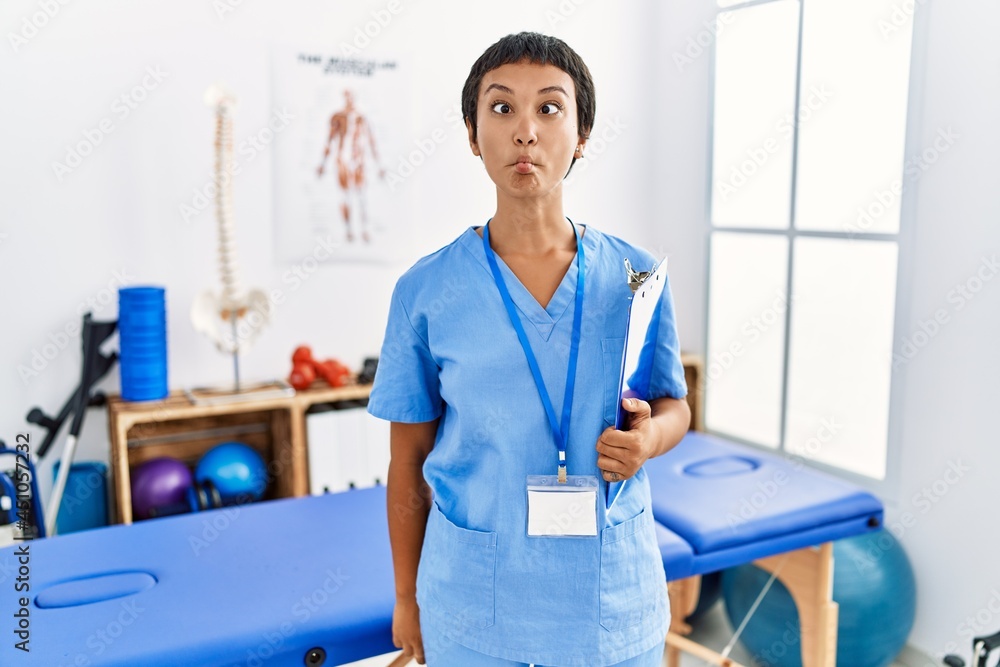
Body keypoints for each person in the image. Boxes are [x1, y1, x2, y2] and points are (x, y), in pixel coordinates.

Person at [367, 32, 690, 667]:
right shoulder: (426, 291)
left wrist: (647, 441)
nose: (525, 131)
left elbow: (673, 405)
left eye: (549, 108)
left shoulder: (635, 276)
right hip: (473, 605)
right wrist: (407, 597)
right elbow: (407, 462)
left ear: (582, 134)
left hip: (611, 600)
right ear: (471, 132)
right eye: (501, 107)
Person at [316, 89, 384, 243]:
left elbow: (371, 141)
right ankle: (348, 230)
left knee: (361, 196)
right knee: (346, 196)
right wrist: (322, 164)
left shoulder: (361, 118)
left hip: (358, 161)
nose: (350, 100)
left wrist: (379, 165)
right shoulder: (337, 117)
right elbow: (329, 140)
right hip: (343, 160)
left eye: (352, 96)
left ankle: (364, 229)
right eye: (347, 96)